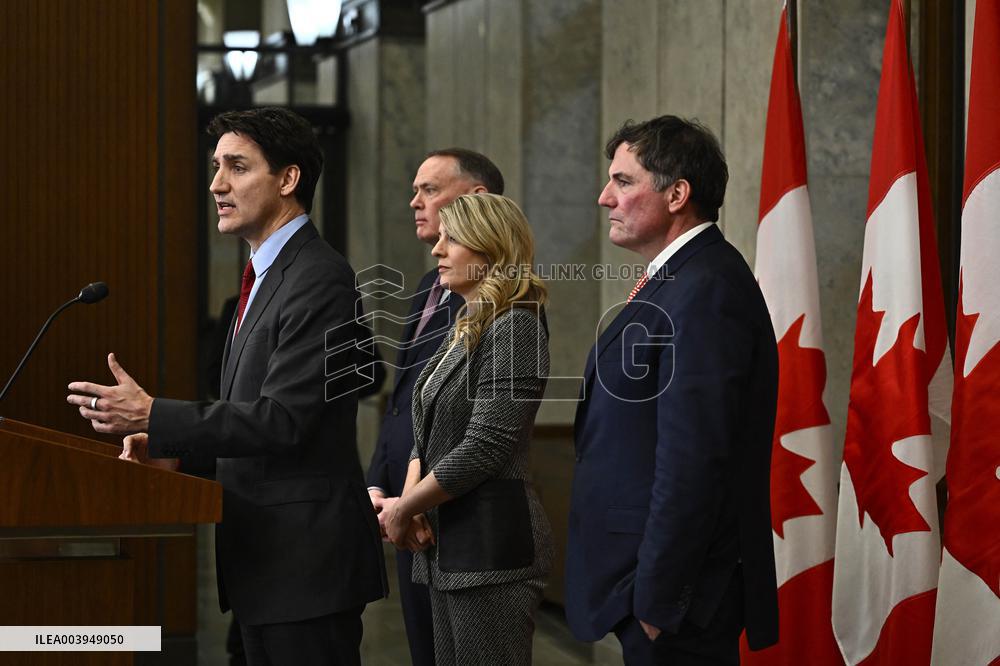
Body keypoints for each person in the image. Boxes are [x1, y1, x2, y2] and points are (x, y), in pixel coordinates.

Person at [66, 107, 387, 666]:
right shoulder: (263, 277)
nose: (216, 184)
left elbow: (284, 421)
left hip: (305, 567)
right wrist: (175, 458)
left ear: (287, 180)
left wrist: (154, 416)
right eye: (216, 167)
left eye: (237, 167)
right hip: (265, 562)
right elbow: (251, 425)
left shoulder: (318, 277)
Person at [565, 116, 779, 665]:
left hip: (674, 598)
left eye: (623, 181)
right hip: (640, 581)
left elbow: (695, 460)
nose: (604, 197)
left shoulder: (706, 288)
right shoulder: (680, 278)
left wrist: (657, 605)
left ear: (678, 194)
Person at [382, 193, 553, 665]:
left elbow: (486, 445)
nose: (437, 250)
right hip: (449, 547)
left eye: (451, 239)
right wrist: (409, 503)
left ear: (490, 249)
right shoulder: (469, 325)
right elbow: (427, 431)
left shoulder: (516, 325)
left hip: (492, 550)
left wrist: (403, 510)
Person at [366, 148, 504, 665]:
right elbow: (404, 404)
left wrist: (415, 501)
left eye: (429, 190)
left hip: (458, 519)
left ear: (476, 200)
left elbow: (484, 432)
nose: (414, 202)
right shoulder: (430, 285)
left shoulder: (506, 305)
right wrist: (381, 486)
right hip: (411, 515)